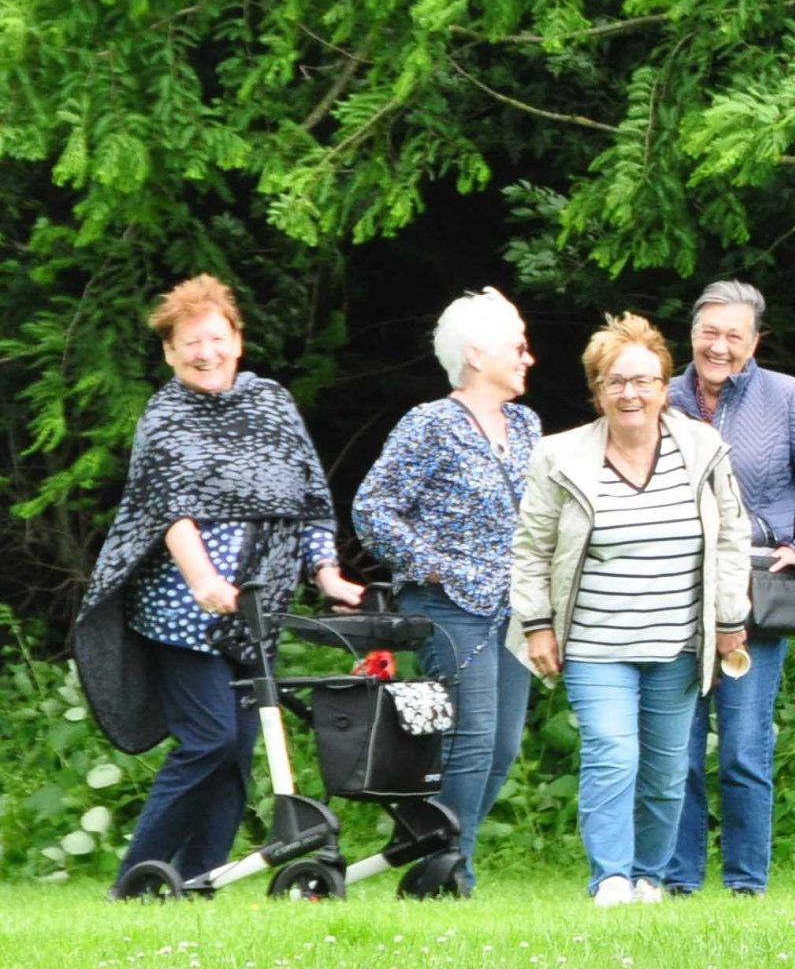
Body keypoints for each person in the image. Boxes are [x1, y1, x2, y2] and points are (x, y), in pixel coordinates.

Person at [75, 276, 365, 897]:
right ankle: (134, 881)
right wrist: (204, 578)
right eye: (190, 343)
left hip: (256, 610)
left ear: (237, 340)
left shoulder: (271, 403)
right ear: (169, 353)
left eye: (215, 338)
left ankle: (198, 881)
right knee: (209, 739)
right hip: (183, 611)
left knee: (235, 752)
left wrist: (326, 573)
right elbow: (169, 511)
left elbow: (310, 498)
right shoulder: (166, 415)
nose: (205, 353)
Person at [507, 313, 751, 908]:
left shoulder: (703, 449)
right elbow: (532, 548)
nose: (630, 394)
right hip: (595, 644)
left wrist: (729, 620)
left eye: (643, 381)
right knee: (613, 755)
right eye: (615, 381)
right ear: (597, 392)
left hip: (677, 643)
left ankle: (648, 877)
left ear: (665, 387)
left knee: (668, 772)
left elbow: (731, 538)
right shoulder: (559, 456)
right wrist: (536, 625)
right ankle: (611, 879)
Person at [666, 279, 795, 896]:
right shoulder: (659, 397)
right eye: (709, 332)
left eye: (734, 336)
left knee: (744, 747)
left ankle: (746, 886)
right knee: (676, 748)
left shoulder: (786, 397)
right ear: (691, 334)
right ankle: (678, 882)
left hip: (754, 587)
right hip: (670, 587)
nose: (719, 347)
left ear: (755, 343)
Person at [352, 287, 543, 894]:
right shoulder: (430, 424)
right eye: (518, 346)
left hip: (514, 610)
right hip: (449, 608)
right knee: (471, 739)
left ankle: (439, 859)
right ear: (477, 354)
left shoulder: (526, 424)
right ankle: (449, 876)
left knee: (503, 746)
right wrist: (433, 567)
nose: (529, 357)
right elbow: (372, 509)